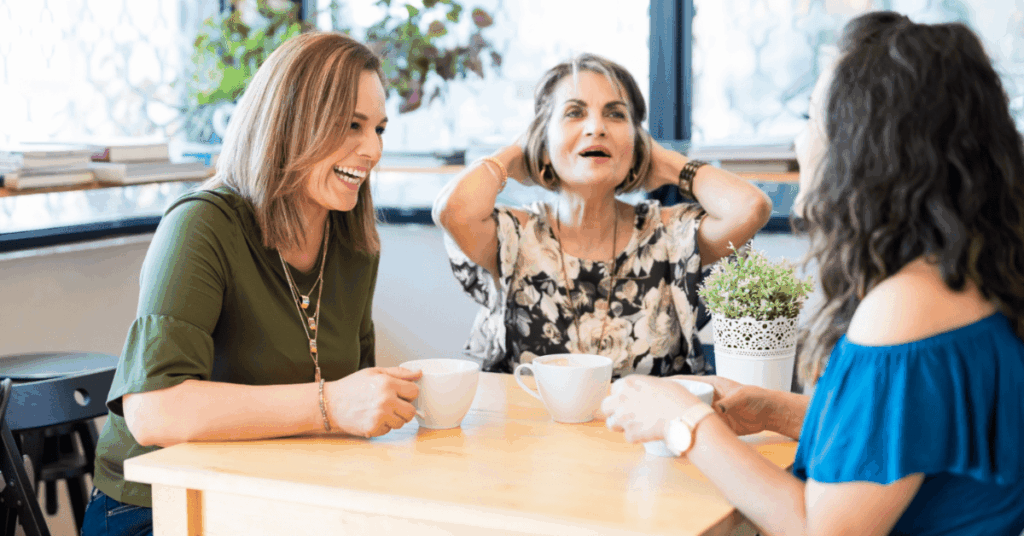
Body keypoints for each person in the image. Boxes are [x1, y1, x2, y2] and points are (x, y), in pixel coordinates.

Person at [601, 11, 1024, 535]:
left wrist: (683, 422)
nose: (801, 142)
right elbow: (910, 438)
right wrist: (776, 410)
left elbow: (820, 529)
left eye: (813, 120)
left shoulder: (907, 306)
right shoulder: (975, 279)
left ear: (863, 149)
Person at [81, 32, 423, 536]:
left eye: (378, 129)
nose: (372, 149)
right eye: (351, 125)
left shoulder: (353, 241)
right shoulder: (201, 226)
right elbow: (154, 411)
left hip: (279, 495)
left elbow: (352, 402)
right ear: (291, 122)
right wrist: (330, 404)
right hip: (159, 507)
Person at [433, 54, 772, 378]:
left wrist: (668, 163)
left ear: (637, 145)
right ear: (543, 142)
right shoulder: (514, 236)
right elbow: (453, 210)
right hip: (526, 421)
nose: (596, 127)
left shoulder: (670, 236)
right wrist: (514, 154)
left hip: (650, 421)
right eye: (574, 113)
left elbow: (750, 207)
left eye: (615, 115)